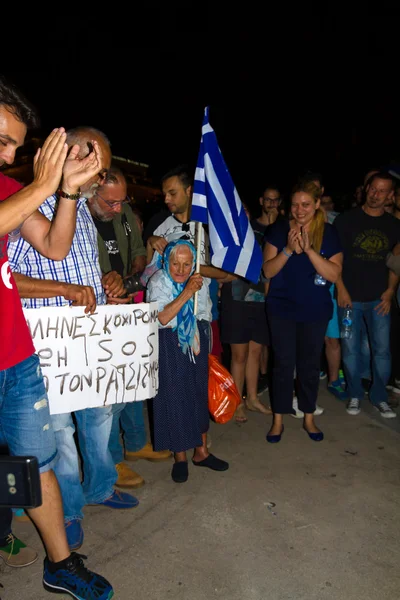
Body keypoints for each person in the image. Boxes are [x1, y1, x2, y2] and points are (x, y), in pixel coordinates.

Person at [0, 76, 113, 598]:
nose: (8, 156)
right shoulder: (21, 192)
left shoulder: (7, 188)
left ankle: (60, 563)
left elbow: (53, 245)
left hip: (16, 355)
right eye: (2, 141)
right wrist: (43, 186)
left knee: (37, 459)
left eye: (15, 147)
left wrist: (65, 191)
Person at [8, 127, 139, 555]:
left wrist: (107, 283)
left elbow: (77, 267)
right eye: (91, 165)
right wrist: (62, 291)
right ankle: (69, 509)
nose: (97, 179)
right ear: (62, 153)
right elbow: (12, 282)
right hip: (49, 344)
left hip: (87, 338)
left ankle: (100, 486)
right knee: (60, 433)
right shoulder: (24, 200)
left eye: (100, 172)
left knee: (99, 418)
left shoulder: (80, 208)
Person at [88, 167, 172, 489]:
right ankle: (113, 458)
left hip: (128, 303)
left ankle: (136, 443)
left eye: (122, 201)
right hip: (100, 310)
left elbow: (137, 248)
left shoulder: (122, 212)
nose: (118, 208)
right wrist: (105, 281)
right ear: (93, 192)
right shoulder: (80, 216)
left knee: (134, 377)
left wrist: (136, 266)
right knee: (110, 389)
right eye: (111, 202)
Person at [263, 180, 343, 443]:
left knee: (309, 366)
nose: (300, 210)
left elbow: (333, 274)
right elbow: (268, 271)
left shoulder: (329, 233)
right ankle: (278, 419)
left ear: (317, 205)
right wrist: (288, 249)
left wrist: (308, 250)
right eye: (296, 204)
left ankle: (309, 417)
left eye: (306, 204)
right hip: (282, 308)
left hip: (315, 310)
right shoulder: (279, 230)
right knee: (283, 364)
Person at [146, 239, 229, 483]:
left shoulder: (199, 281)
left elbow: (205, 313)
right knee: (174, 398)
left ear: (194, 263)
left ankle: (201, 452)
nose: (181, 270)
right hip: (168, 342)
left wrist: (203, 340)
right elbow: (161, 317)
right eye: (175, 263)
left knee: (197, 395)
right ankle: (180, 456)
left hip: (195, 342)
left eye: (187, 264)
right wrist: (187, 292)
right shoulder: (158, 281)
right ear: (166, 261)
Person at [335, 171, 400, 418]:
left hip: (378, 300)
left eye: (382, 191)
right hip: (349, 299)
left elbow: (396, 262)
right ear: (366, 188)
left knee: (382, 350)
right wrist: (340, 289)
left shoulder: (394, 226)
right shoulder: (345, 220)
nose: (376, 195)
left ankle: (380, 396)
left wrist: (390, 291)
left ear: (390, 196)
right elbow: (336, 260)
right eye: (373, 189)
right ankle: (354, 393)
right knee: (350, 349)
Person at [220, 202, 271, 423]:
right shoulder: (224, 241)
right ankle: (237, 401)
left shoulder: (259, 237)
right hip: (236, 303)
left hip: (259, 301)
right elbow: (221, 275)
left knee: (256, 352)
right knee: (239, 355)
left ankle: (252, 398)